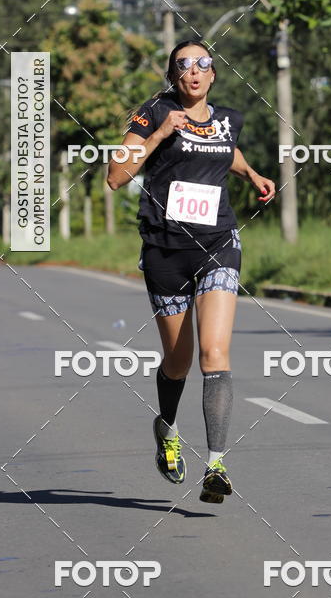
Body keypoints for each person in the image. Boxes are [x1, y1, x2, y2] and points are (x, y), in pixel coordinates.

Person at [107, 41, 275, 504]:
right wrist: (160, 134)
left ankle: (217, 465)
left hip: (218, 243)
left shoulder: (228, 119)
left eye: (203, 64)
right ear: (174, 75)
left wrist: (253, 175)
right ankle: (167, 428)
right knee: (178, 362)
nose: (194, 72)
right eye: (184, 65)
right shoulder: (151, 113)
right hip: (164, 248)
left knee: (214, 352)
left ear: (214, 74)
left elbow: (226, 151)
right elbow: (115, 176)